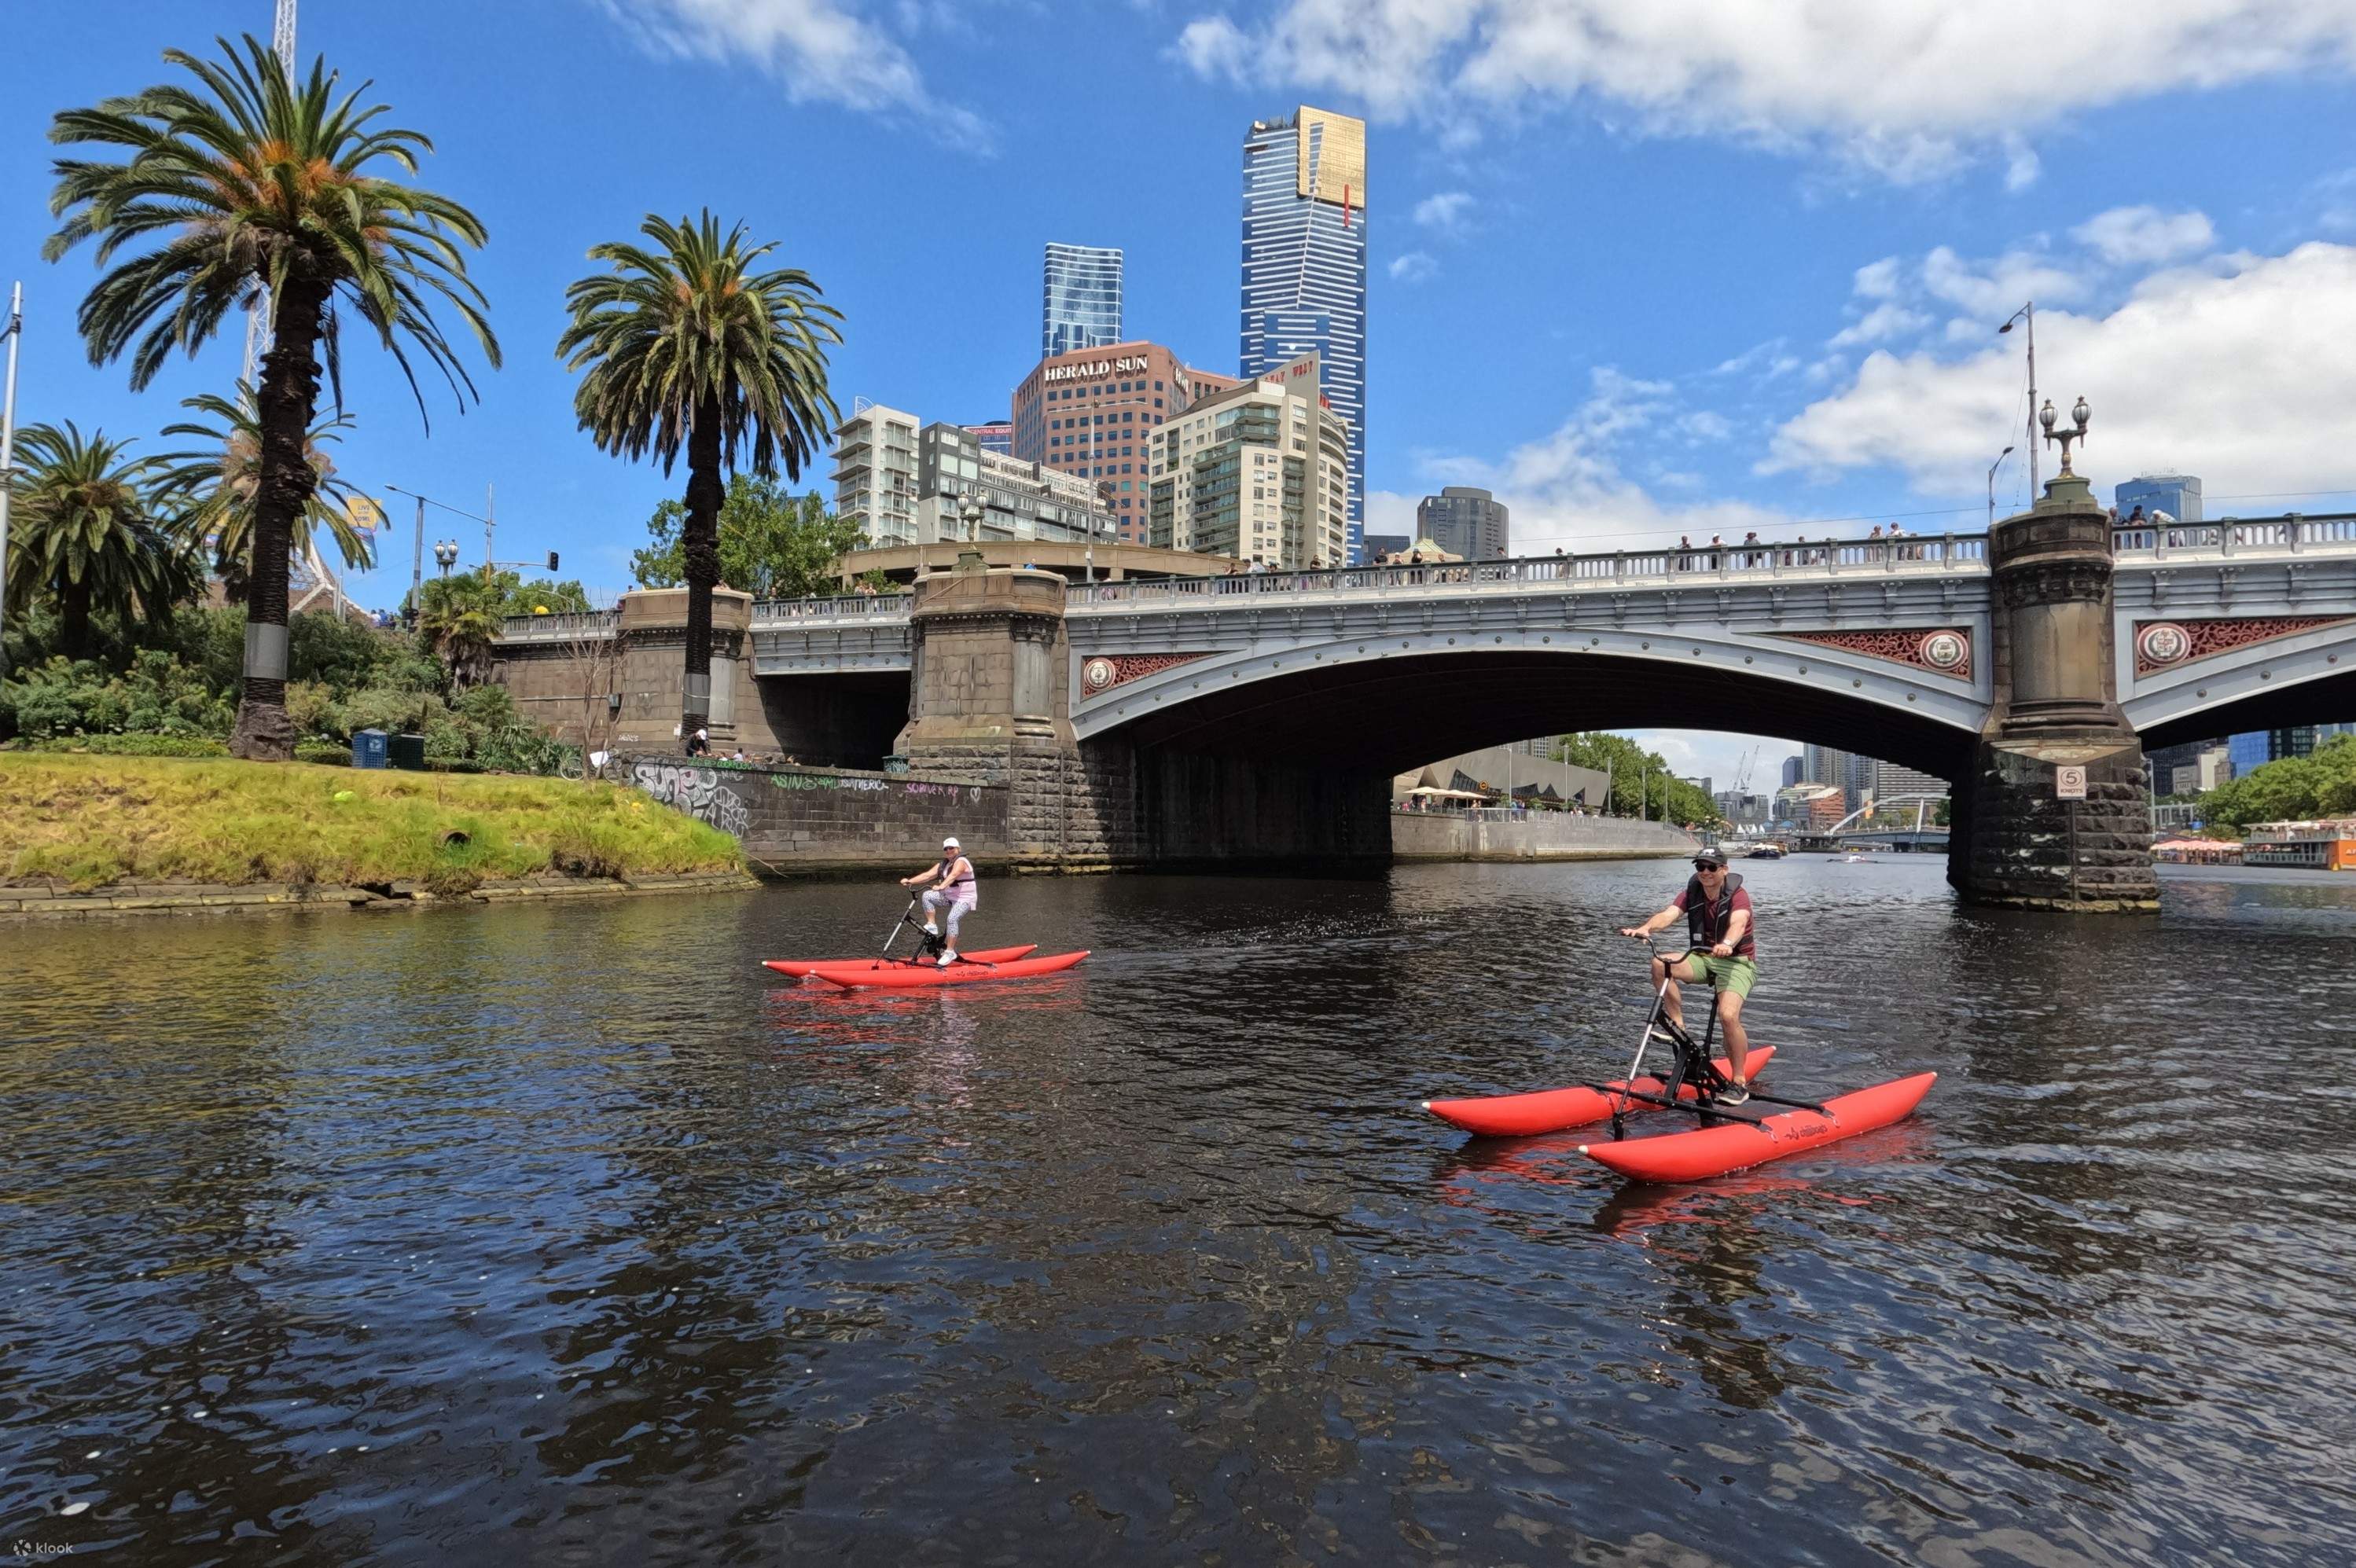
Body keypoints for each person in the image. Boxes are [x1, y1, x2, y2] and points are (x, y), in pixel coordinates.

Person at [1617, 845, 1759, 1102]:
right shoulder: (1692, 892)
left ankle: (1739, 1082)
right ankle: (1678, 1026)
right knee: (1660, 963)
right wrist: (1646, 928)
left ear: (1724, 870)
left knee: (1728, 1016)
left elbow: (1739, 922)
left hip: (1736, 961)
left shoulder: (1738, 895)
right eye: (1700, 867)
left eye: (1711, 867)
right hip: (1703, 958)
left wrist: (1727, 944)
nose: (1705, 872)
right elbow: (1669, 915)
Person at [901, 835, 978, 967]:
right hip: (950, 897)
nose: (948, 851)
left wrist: (941, 886)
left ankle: (950, 952)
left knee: (952, 919)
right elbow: (927, 875)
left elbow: (953, 875)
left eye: (951, 848)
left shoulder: (962, 861)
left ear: (958, 849)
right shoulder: (944, 864)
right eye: (946, 849)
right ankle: (932, 925)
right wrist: (910, 881)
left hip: (965, 898)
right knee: (927, 896)